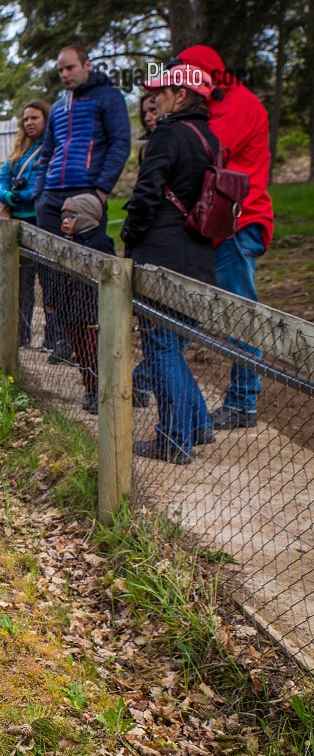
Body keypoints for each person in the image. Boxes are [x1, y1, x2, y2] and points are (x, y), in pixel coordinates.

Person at [120, 65, 222, 465]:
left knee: (161, 349)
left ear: (180, 95)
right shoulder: (209, 137)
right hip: (199, 256)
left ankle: (174, 439)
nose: (153, 100)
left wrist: (130, 234)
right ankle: (196, 425)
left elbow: (147, 190)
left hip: (162, 253)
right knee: (172, 349)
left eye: (160, 92)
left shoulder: (168, 132)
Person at [172, 45, 275, 431]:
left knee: (239, 313)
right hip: (214, 224)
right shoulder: (218, 104)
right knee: (194, 305)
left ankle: (243, 402)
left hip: (238, 221)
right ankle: (149, 375)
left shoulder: (237, 105)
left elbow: (204, 152)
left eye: (186, 77)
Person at [34, 45, 131, 363]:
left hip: (86, 195)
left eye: (70, 68)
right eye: (60, 70)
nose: (64, 74)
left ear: (86, 65)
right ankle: (58, 339)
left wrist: (100, 192)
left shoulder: (108, 98)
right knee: (51, 270)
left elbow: (120, 143)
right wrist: (39, 194)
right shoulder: (59, 107)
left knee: (83, 276)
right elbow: (47, 151)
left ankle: (92, 356)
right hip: (51, 195)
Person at [0, 100, 49, 345]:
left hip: (42, 223)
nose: (29, 123)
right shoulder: (19, 152)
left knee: (49, 283)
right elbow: (2, 181)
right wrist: (9, 196)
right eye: (25, 119)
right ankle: (21, 334)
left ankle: (55, 338)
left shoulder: (50, 149)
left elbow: (43, 185)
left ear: (46, 120)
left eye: (34, 118)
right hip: (17, 224)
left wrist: (23, 196)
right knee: (21, 283)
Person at [53, 193, 112, 414]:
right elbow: (58, 275)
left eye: (72, 216)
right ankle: (89, 387)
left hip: (92, 311)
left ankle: (100, 390)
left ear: (87, 217)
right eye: (64, 217)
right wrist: (53, 301)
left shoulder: (101, 243)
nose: (65, 221)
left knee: (94, 351)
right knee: (81, 352)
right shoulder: (65, 244)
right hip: (70, 309)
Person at [131, 91, 161, 407]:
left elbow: (148, 196)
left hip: (165, 244)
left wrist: (131, 231)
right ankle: (142, 379)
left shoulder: (168, 142)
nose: (149, 115)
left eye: (154, 109)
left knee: (164, 333)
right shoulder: (149, 147)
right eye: (145, 111)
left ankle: (141, 379)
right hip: (150, 241)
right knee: (153, 327)